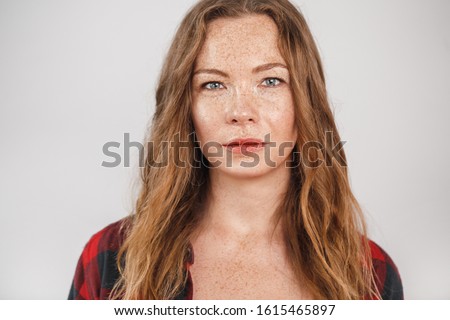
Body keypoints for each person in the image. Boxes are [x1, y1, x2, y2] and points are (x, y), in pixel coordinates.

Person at [69, 0, 403, 300]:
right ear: (185, 110)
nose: (241, 111)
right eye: (213, 84)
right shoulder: (110, 258)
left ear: (306, 102)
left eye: (270, 81)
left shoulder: (369, 273)